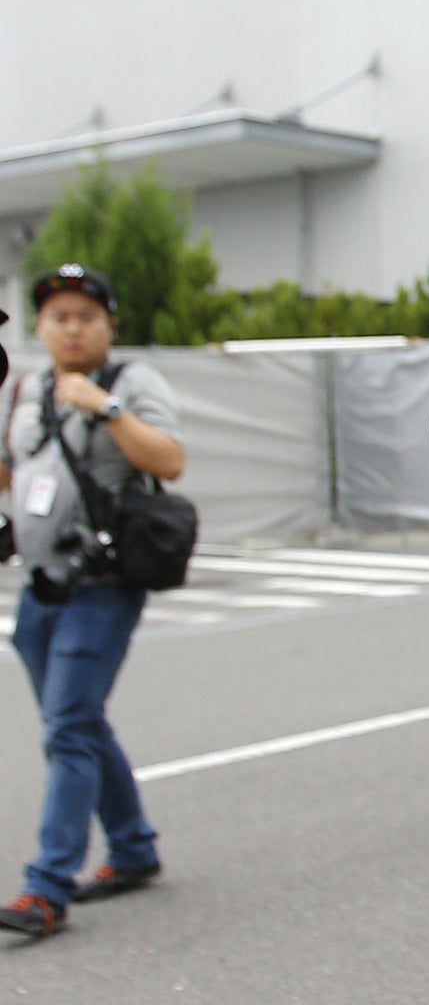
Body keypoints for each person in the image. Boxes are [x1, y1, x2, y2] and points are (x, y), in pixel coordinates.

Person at [0, 265, 183, 939]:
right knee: (76, 720)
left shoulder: (132, 383)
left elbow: (169, 460)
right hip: (41, 586)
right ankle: (132, 846)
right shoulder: (26, 388)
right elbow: (16, 472)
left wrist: (103, 408)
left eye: (85, 315)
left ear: (108, 324)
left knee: (68, 727)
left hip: (104, 583)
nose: (71, 326)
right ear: (39, 327)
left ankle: (46, 887)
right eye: (58, 316)